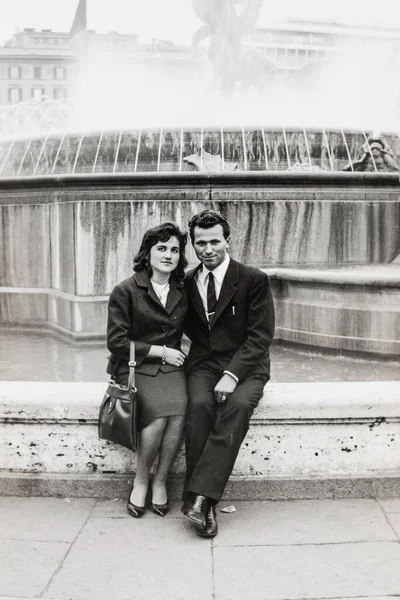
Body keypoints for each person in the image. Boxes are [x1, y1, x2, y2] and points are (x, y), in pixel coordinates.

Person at [182, 210, 275, 538]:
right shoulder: (189, 282)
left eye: (214, 241)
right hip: (205, 363)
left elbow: (260, 336)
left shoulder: (253, 279)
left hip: (247, 365)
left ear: (227, 240)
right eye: (200, 243)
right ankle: (198, 499)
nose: (208, 249)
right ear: (193, 244)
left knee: (236, 407)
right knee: (199, 406)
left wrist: (233, 375)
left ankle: (201, 499)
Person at [107, 222, 188, 518]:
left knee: (179, 415)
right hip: (135, 366)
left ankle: (161, 480)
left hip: (172, 368)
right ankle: (141, 480)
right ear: (148, 252)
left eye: (175, 250)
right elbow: (116, 342)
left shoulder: (183, 289)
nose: (168, 255)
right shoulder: (127, 290)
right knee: (155, 419)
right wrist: (161, 351)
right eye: (162, 248)